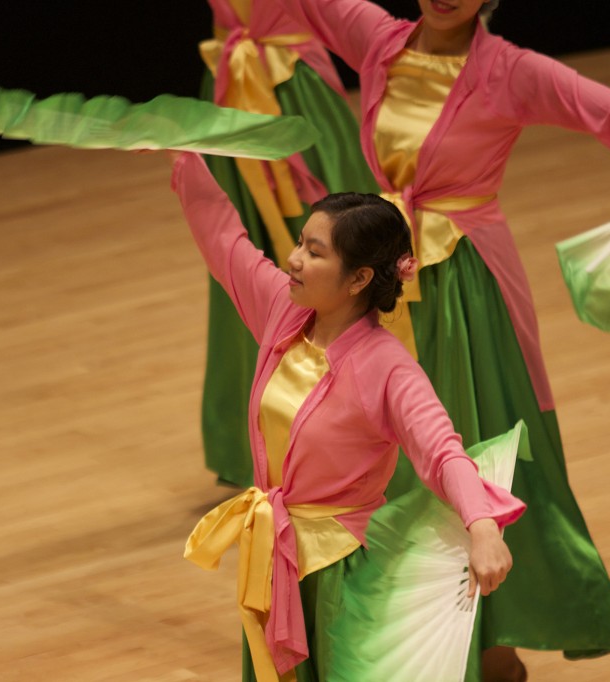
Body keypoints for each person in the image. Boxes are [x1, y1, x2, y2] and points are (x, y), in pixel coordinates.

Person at [258, 0, 610, 679]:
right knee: (383, 464)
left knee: (476, 451)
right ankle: (388, 642)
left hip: (466, 289)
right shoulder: (379, 41)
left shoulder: (510, 71)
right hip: (382, 276)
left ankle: (495, 644)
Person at [172, 150, 526, 682]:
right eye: (299, 243)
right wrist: (183, 158)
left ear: (359, 278)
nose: (293, 260)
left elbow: (443, 452)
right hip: (277, 555)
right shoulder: (284, 312)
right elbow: (226, 242)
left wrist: (483, 529)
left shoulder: (388, 369)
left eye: (314, 253)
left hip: (342, 571)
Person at [194, 0, 382, 487]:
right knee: (245, 276)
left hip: (292, 93)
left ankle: (358, 429)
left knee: (336, 266)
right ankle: (264, 441)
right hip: (231, 101)